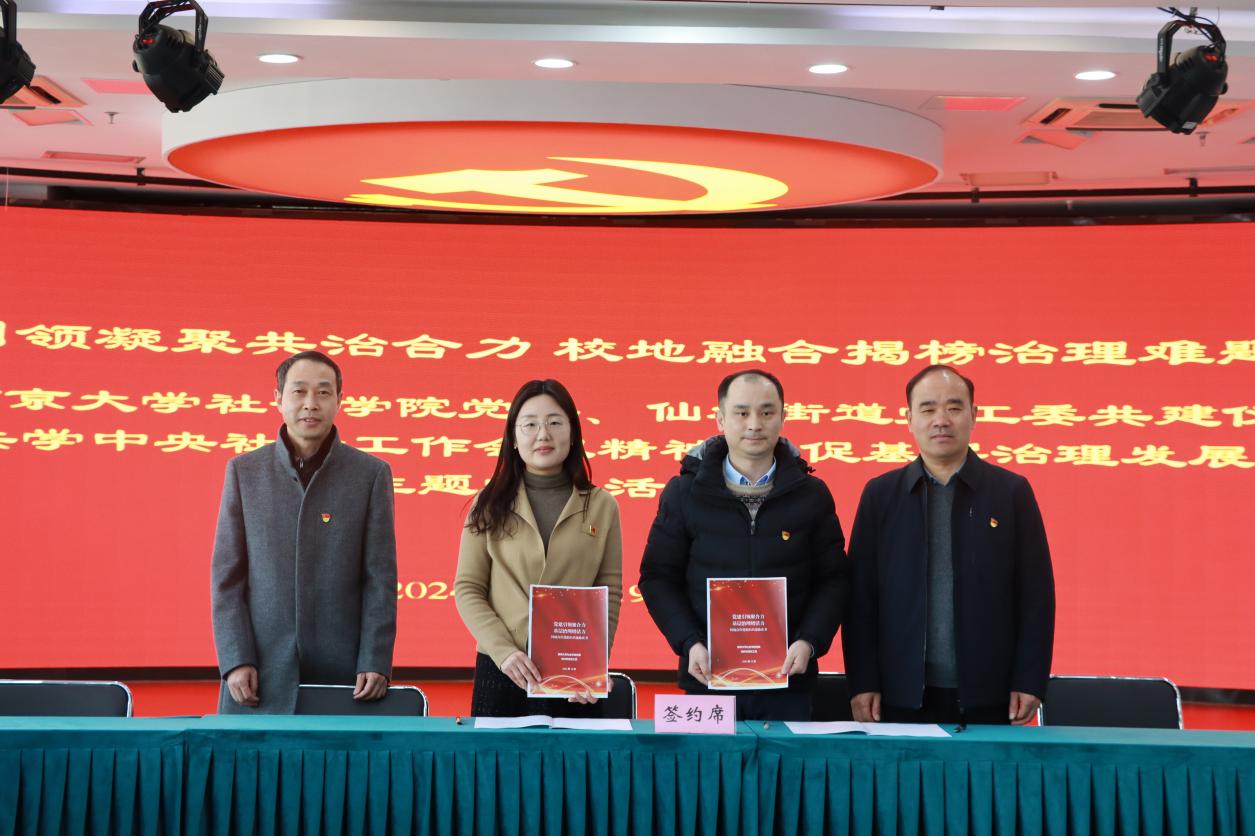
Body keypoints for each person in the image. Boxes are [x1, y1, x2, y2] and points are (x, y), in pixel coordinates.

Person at [843, 364, 1055, 726]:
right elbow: (860, 599)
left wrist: (1029, 679)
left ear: (974, 415)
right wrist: (862, 682)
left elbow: (1036, 595)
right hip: (900, 693)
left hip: (991, 693)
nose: (941, 420)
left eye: (954, 407)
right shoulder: (881, 495)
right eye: (927, 409)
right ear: (909, 419)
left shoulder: (1010, 492)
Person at [639, 370, 847, 721]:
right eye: (741, 412)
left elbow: (835, 579)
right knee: (708, 761)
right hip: (706, 679)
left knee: (785, 760)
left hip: (789, 683)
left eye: (766, 412)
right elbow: (657, 577)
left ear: (783, 416)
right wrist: (689, 642)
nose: (754, 424)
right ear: (720, 419)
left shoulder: (811, 495)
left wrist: (809, 641)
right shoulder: (684, 493)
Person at [210, 350, 397, 714]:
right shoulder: (245, 472)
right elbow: (227, 579)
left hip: (344, 673)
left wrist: (375, 658)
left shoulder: (369, 474)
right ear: (278, 398)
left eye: (323, 392)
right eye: (299, 391)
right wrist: (236, 659)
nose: (311, 403)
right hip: (258, 673)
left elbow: (380, 579)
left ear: (339, 400)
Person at [454, 379, 623, 717]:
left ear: (572, 434)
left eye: (555, 423)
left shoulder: (602, 505)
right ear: (513, 438)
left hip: (573, 671)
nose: (543, 434)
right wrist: (504, 652)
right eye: (530, 425)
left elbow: (610, 591)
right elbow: (468, 588)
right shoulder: (487, 504)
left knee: (572, 753)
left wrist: (594, 661)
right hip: (503, 668)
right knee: (499, 755)